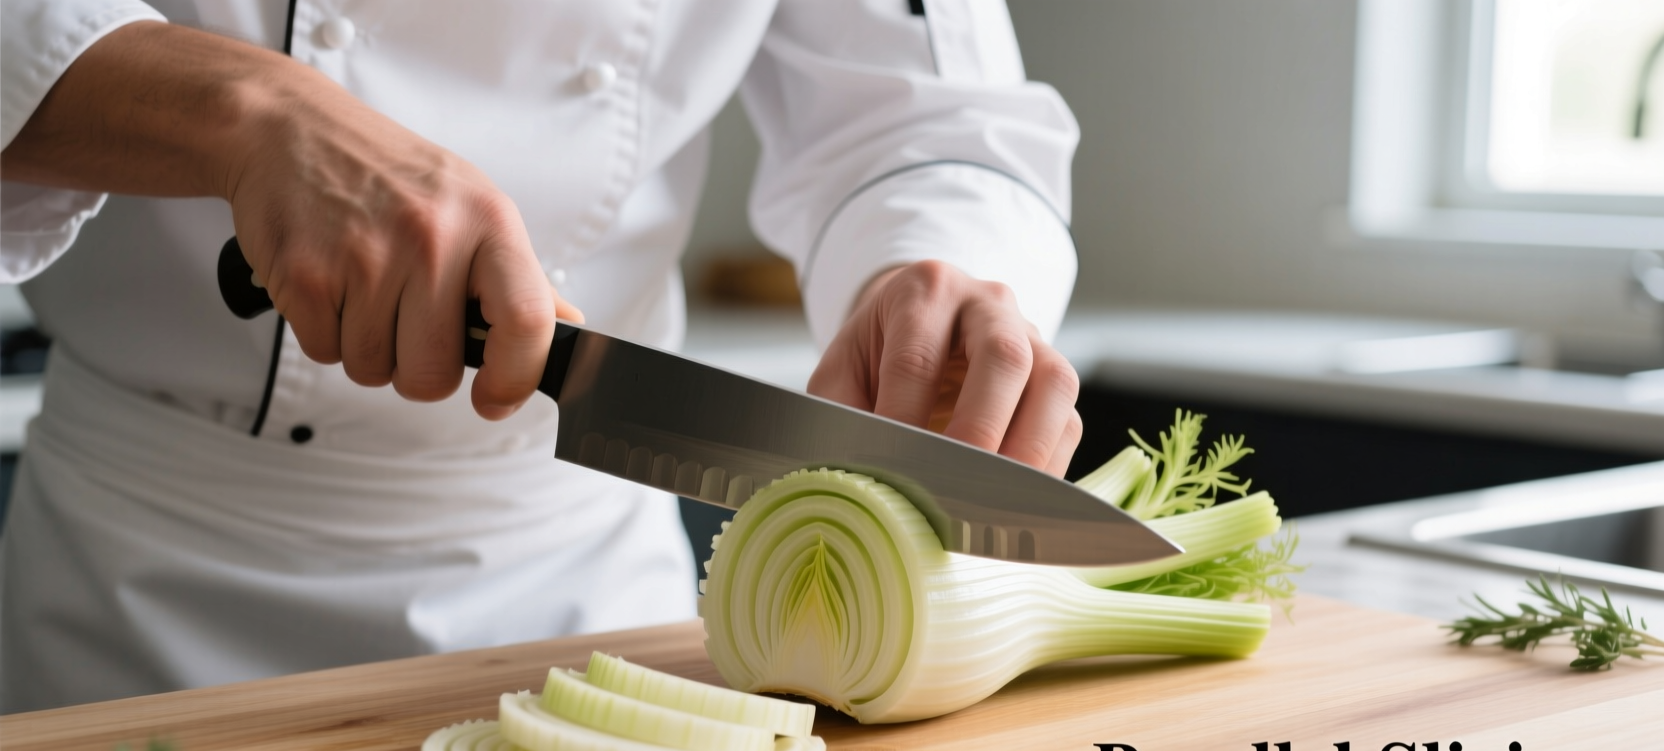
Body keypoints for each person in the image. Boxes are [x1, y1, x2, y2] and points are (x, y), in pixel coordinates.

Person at [0, 0, 1082, 712]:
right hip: (131, 593)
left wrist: (931, 261)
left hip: (580, 602)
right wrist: (241, 106)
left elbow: (926, 110)